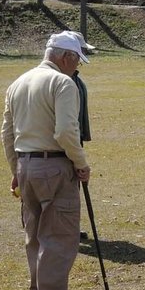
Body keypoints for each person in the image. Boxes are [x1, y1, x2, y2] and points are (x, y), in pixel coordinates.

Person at [1, 31, 92, 290]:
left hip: (26, 166)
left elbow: (6, 133)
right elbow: (66, 131)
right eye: (77, 60)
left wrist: (15, 169)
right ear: (66, 57)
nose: (77, 67)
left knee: (35, 233)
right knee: (59, 236)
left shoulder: (18, 82)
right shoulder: (63, 83)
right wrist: (81, 163)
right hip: (55, 166)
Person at [67, 31, 95, 241]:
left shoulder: (74, 77)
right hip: (66, 142)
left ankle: (70, 227)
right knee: (66, 188)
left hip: (74, 139)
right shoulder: (64, 81)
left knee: (72, 187)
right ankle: (66, 229)